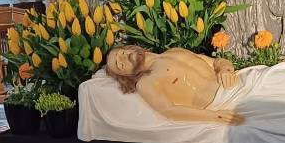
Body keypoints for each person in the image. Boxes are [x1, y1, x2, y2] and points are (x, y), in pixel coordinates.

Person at [105, 45, 244, 124]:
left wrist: (226, 69)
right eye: (120, 64)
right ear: (126, 76)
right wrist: (215, 116)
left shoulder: (174, 51)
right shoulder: (146, 82)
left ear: (130, 48)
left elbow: (215, 62)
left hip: (239, 81)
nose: (124, 57)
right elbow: (169, 111)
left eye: (122, 52)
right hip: (223, 102)